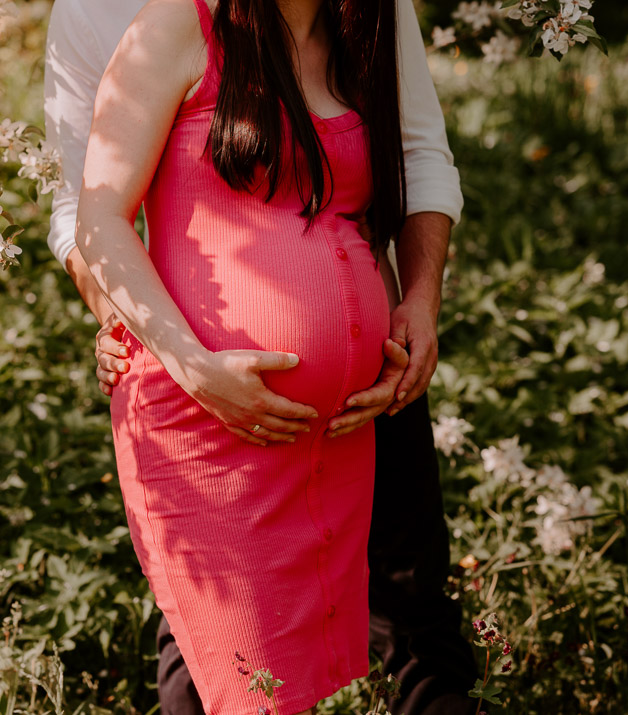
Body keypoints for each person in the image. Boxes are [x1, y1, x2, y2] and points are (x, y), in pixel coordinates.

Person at [44, 0, 478, 712]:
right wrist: (143, 335)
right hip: (212, 399)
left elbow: (417, 153)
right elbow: (86, 208)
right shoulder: (113, 14)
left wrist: (419, 304)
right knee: (224, 659)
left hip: (366, 394)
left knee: (412, 610)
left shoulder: (362, 12)